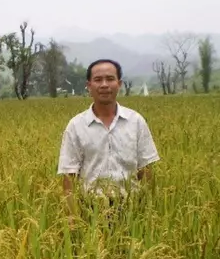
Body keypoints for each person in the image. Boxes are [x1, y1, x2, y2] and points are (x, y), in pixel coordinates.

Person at [58, 60, 159, 210]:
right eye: (98, 80)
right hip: (90, 210)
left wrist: (147, 211)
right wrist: (73, 220)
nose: (104, 85)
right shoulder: (76, 126)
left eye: (110, 79)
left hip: (132, 209)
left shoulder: (136, 121)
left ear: (119, 84)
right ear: (89, 86)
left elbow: (146, 171)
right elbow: (69, 178)